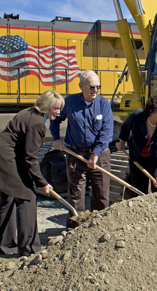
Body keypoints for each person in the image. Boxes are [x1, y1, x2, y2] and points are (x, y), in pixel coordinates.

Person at [0, 90, 64, 256]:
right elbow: (30, 158)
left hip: (6, 155)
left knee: (7, 198)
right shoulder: (37, 123)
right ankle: (29, 248)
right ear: (46, 106)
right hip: (7, 158)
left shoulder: (29, 112)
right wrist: (42, 182)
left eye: (59, 108)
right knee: (27, 197)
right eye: (55, 108)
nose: (58, 112)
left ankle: (5, 245)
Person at [50, 70, 113, 230]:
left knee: (101, 192)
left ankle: (99, 228)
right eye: (92, 87)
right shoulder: (70, 102)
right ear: (81, 86)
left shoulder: (103, 104)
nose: (96, 90)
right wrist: (56, 138)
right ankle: (75, 228)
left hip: (99, 154)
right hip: (75, 153)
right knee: (76, 193)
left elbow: (107, 131)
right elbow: (55, 118)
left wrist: (96, 153)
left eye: (98, 87)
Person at [116, 96, 157, 195]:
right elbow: (125, 127)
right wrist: (122, 141)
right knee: (138, 189)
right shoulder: (137, 116)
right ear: (150, 111)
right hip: (137, 158)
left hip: (155, 161)